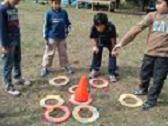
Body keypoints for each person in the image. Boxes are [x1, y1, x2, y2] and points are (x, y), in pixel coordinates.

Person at [112, 0, 168, 111]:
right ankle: (143, 88)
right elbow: (136, 29)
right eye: (156, 1)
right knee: (144, 73)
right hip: (149, 52)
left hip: (164, 56)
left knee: (158, 78)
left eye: (160, 2)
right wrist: (122, 43)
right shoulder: (152, 16)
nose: (157, 4)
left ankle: (151, 100)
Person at [0, 0, 30, 96]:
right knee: (8, 64)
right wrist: (4, 45)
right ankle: (9, 86)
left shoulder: (14, 8)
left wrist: (18, 36)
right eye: (16, 0)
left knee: (17, 59)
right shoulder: (2, 9)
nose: (18, 1)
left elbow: (16, 24)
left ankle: (18, 78)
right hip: (8, 42)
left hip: (16, 38)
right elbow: (2, 29)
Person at [41, 0, 74, 77]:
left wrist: (67, 31)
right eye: (55, 3)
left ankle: (66, 66)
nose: (57, 5)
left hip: (62, 37)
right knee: (49, 53)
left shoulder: (64, 12)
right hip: (52, 37)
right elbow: (45, 25)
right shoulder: (48, 13)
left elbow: (68, 23)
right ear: (51, 3)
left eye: (59, 3)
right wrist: (45, 37)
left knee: (63, 53)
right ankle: (45, 67)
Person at [89, 12, 119, 82]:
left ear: (105, 24)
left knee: (113, 54)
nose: (99, 28)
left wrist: (114, 49)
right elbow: (94, 37)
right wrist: (95, 46)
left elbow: (113, 39)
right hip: (100, 41)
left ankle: (112, 73)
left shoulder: (111, 27)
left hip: (110, 42)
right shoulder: (93, 27)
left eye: (101, 26)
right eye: (97, 26)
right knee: (96, 52)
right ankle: (95, 69)